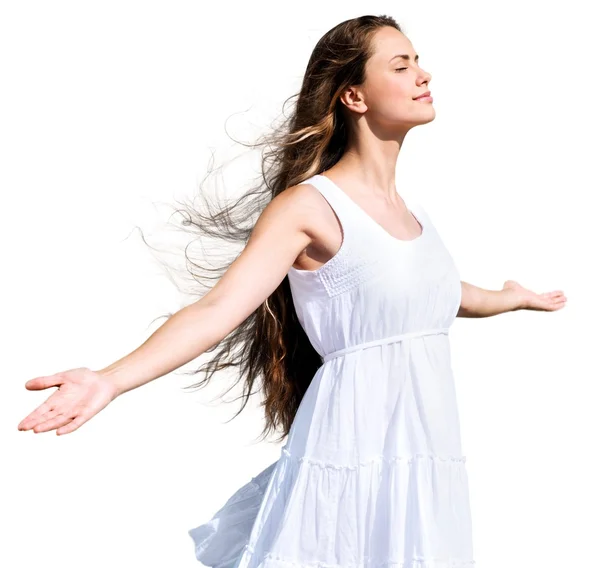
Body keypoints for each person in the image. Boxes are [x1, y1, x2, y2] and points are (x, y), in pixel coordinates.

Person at [17, 14, 567, 568]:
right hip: (353, 452)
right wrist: (109, 380)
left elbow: (444, 295)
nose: (424, 75)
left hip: (424, 455)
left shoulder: (413, 215)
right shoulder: (309, 207)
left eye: (419, 62)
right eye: (402, 65)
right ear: (354, 95)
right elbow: (218, 309)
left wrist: (513, 297)